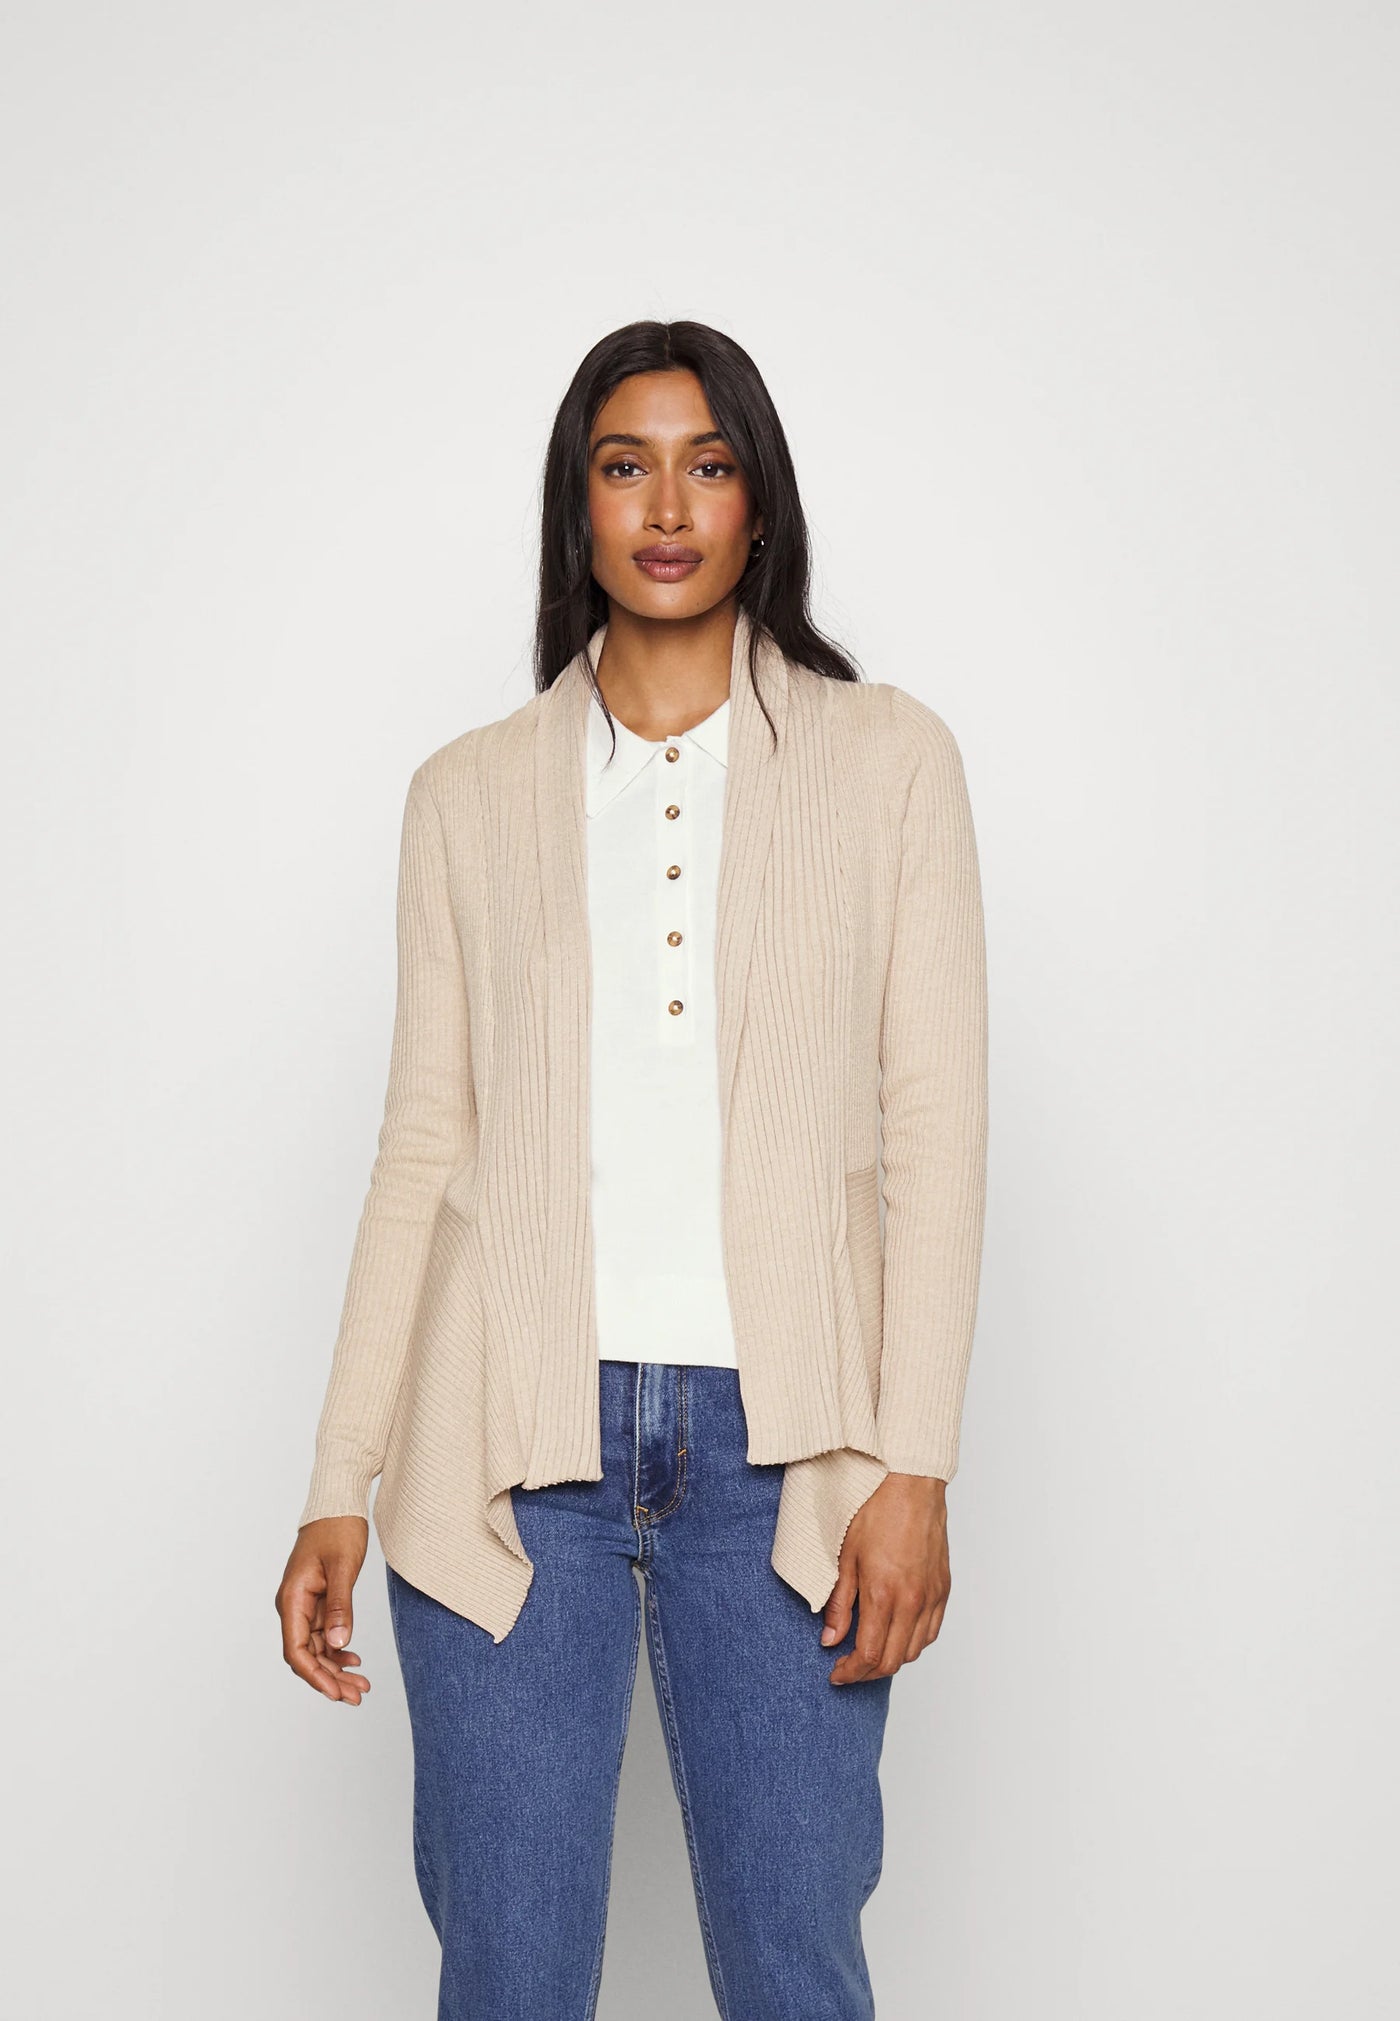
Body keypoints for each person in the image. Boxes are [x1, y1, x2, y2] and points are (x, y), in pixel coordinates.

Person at [276, 318, 989, 2020]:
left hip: (790, 1464)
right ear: (577, 505)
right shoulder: (465, 796)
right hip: (506, 1460)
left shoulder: (888, 760)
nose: (667, 507)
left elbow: (936, 1127)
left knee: (797, 1971)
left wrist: (917, 1466)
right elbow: (423, 1145)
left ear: (758, 503)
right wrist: (338, 1475)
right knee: (512, 1980)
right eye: (625, 466)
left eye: (707, 464)